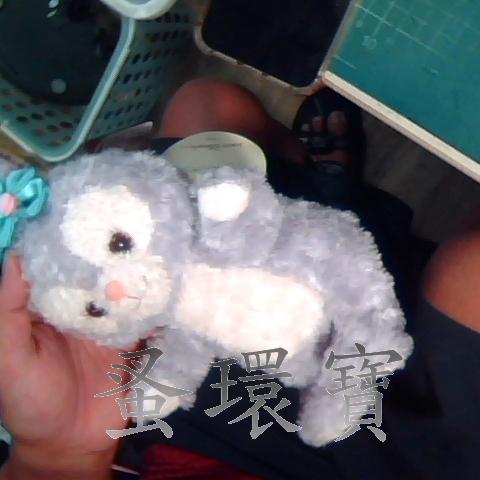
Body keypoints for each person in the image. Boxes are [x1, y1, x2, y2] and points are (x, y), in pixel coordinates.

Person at [0, 79, 478, 479]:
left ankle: (325, 181)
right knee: (467, 271)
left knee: (208, 108)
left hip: (177, 433)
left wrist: (56, 455)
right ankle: (332, 191)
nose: (118, 288)